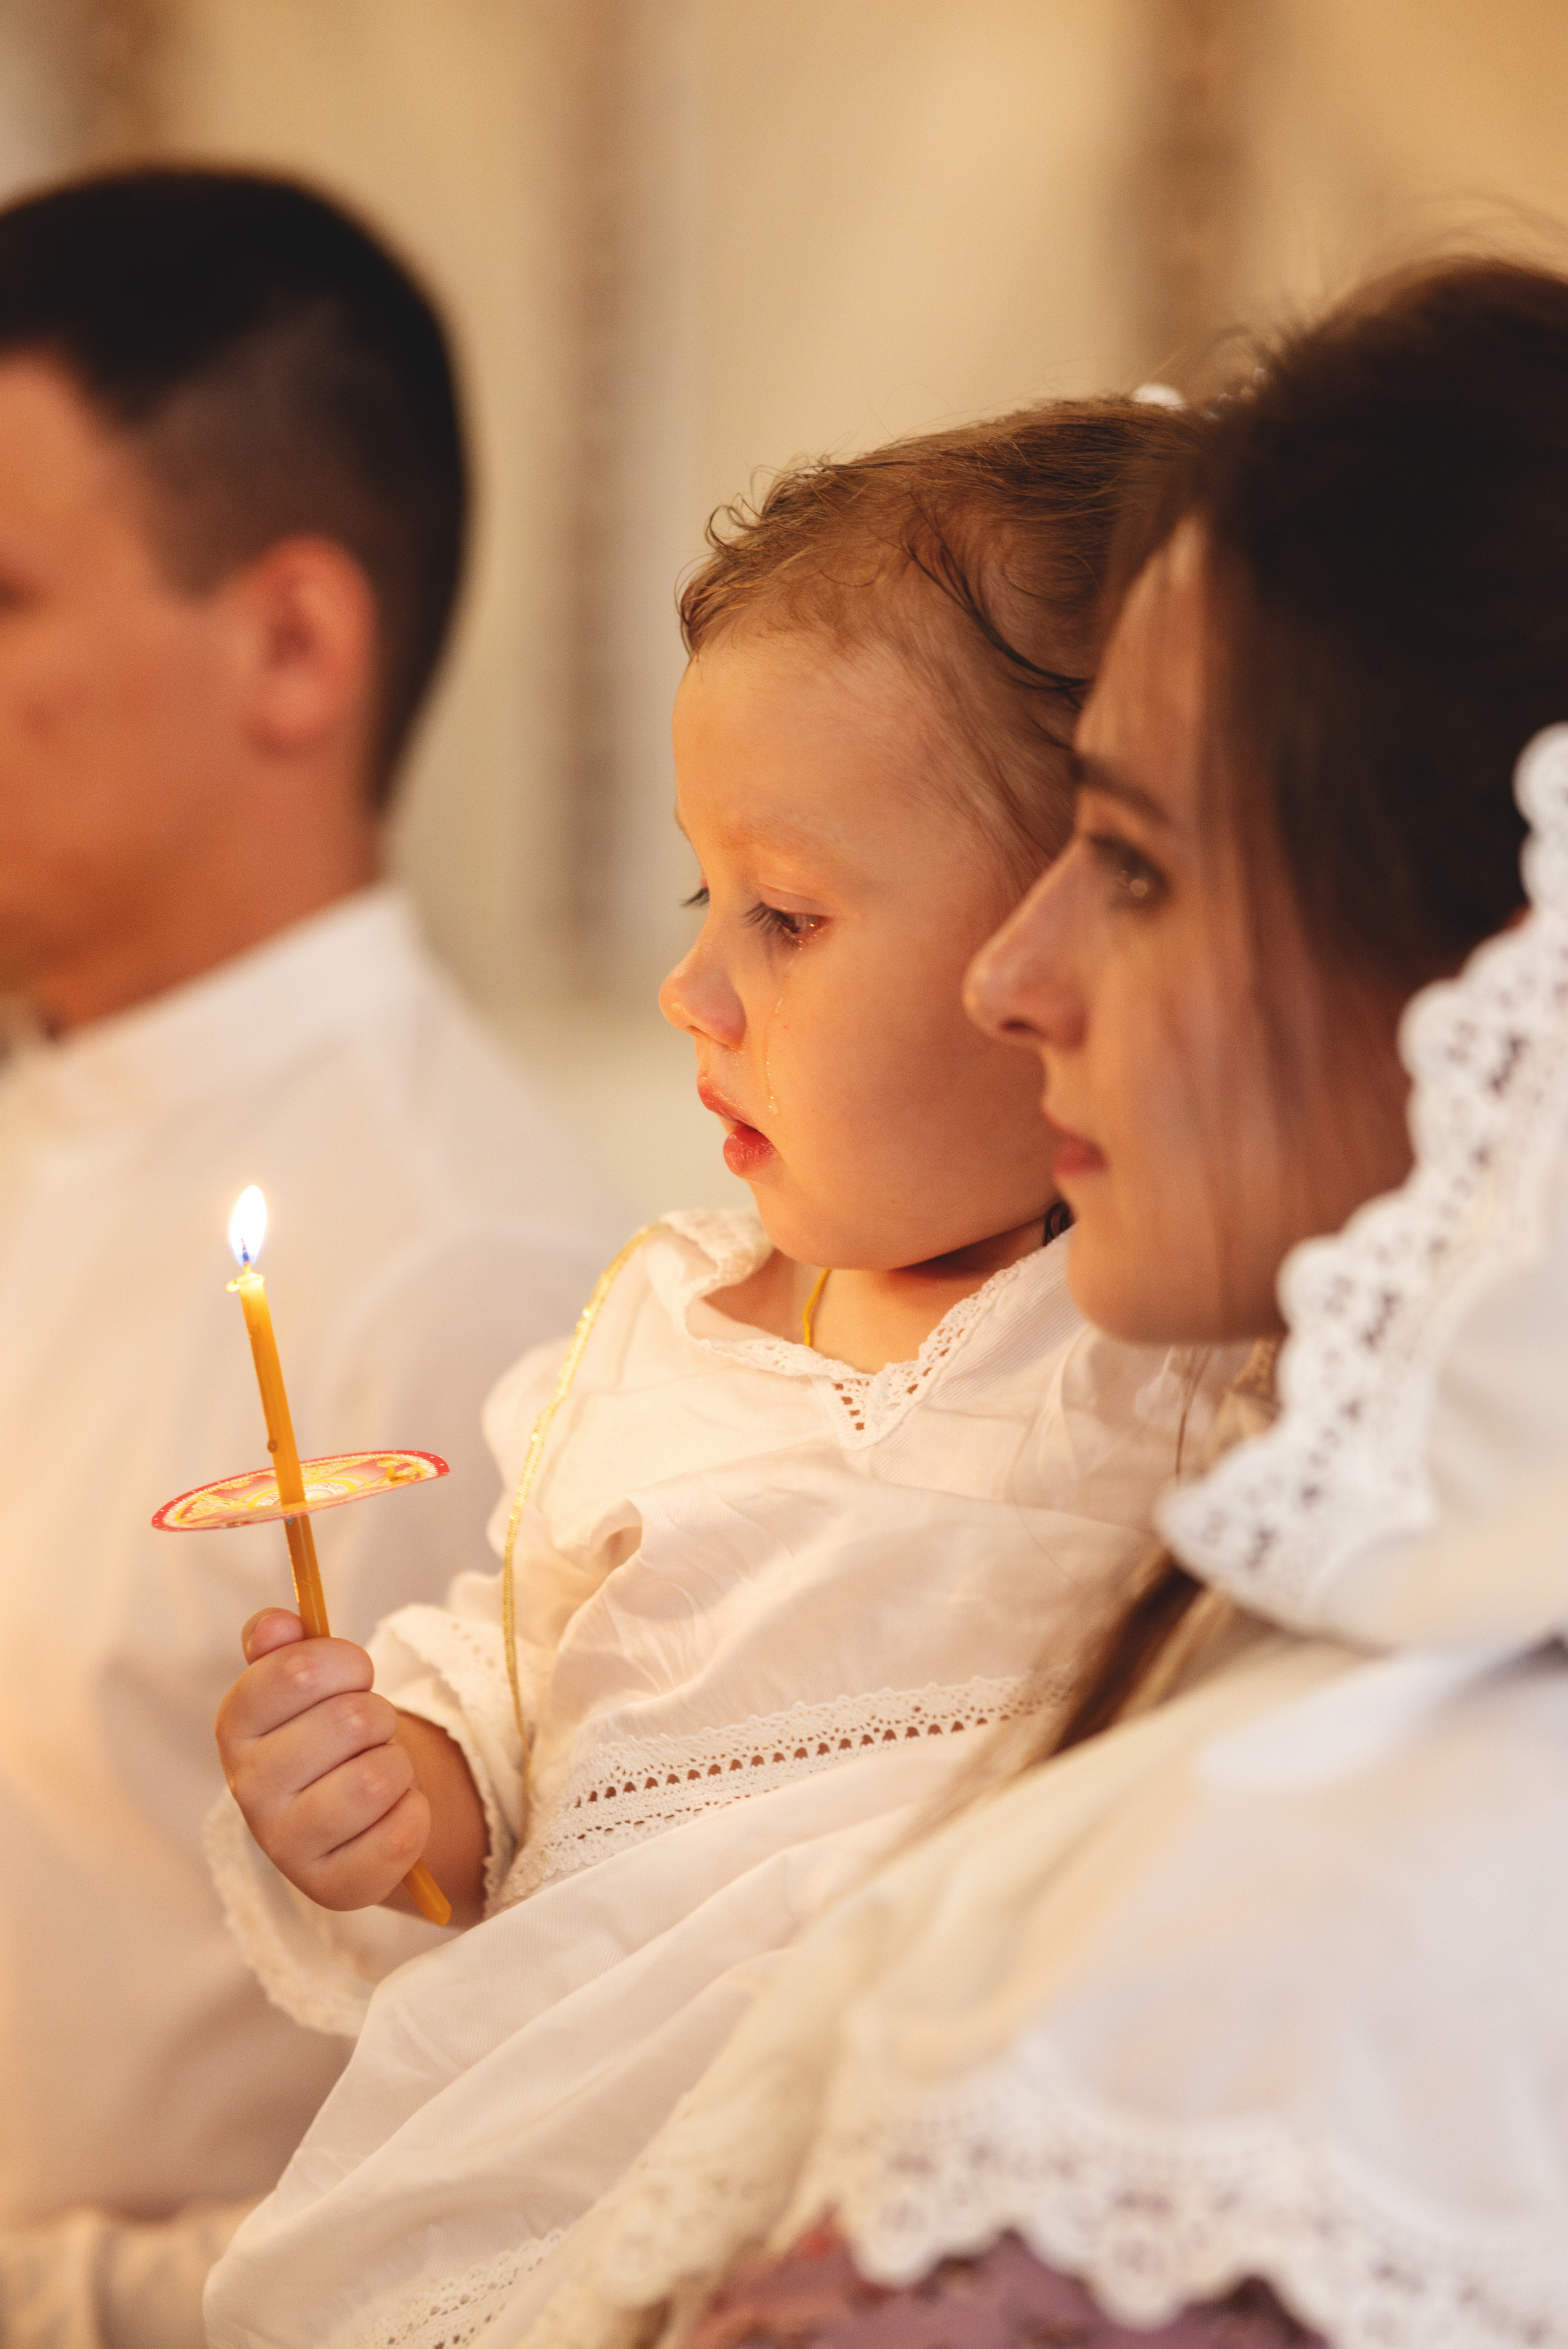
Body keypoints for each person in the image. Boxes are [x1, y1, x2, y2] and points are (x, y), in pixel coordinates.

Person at [503, 257, 1568, 2349]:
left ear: (1477, 987)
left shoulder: (1347, 1930)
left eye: (1143, 866)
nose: (1018, 978)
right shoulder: (1309, 1648)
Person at [202, 395, 1245, 2349]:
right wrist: (395, 1787)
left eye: (785, 914)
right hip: (550, 2147)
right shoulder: (650, 1334)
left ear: (1101, 930)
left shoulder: (1181, 1356)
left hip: (883, 2169)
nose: (698, 991)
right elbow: (508, 1729)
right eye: (706, 901)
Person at [0, 167, 625, 2344]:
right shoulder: (57, 1103)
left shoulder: (457, 1268)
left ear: (289, 640)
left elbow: (498, 2173)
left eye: (0, 593)